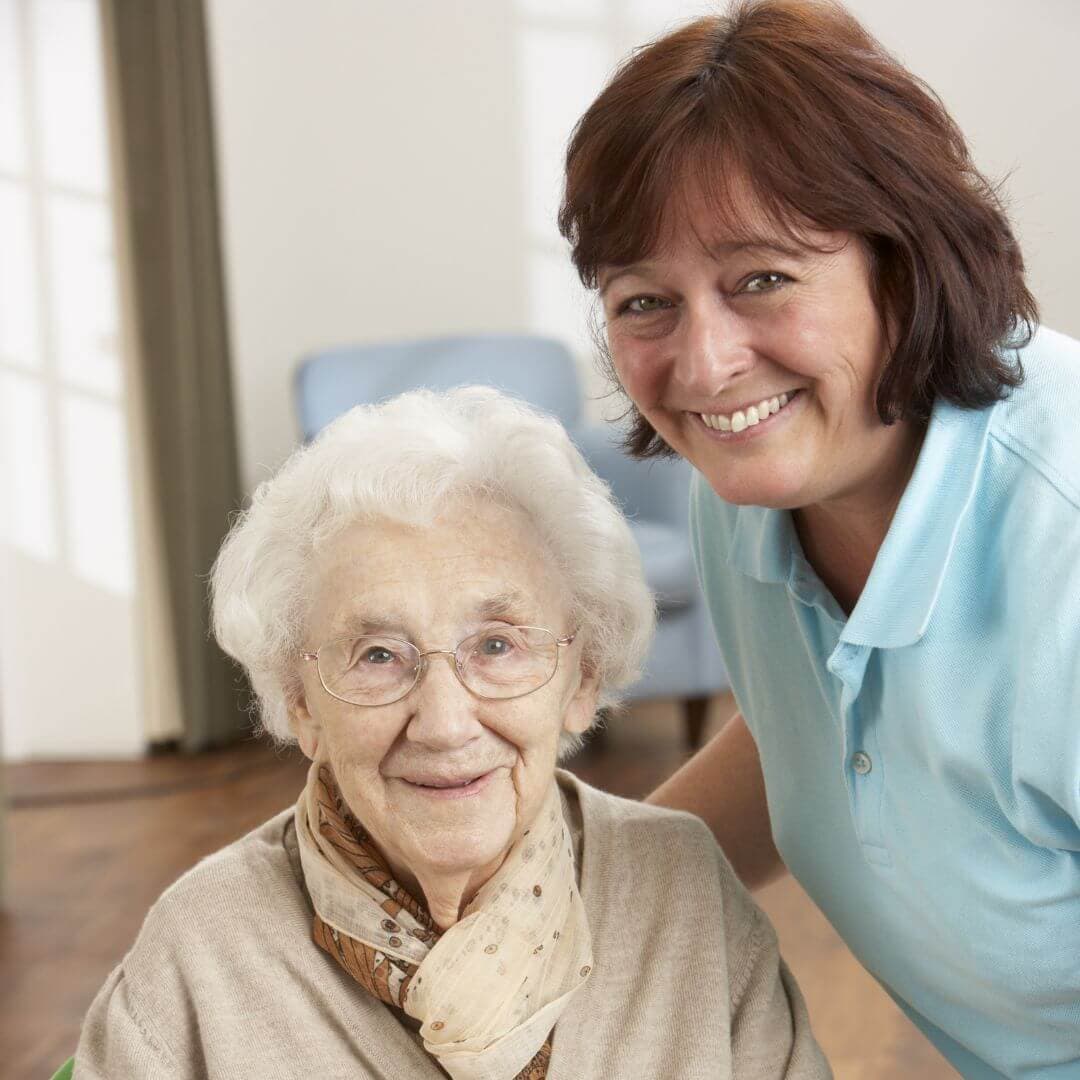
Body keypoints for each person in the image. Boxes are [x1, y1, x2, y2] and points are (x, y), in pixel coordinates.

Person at [558, 1, 1080, 1076]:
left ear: (907, 260)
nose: (704, 368)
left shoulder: (1062, 546)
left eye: (762, 279)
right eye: (645, 300)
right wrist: (552, 893)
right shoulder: (754, 484)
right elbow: (820, 731)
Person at [72, 387, 829, 1079]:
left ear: (584, 676)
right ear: (300, 702)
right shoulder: (202, 949)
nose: (443, 722)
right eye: (377, 656)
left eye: (496, 646)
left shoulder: (682, 888)